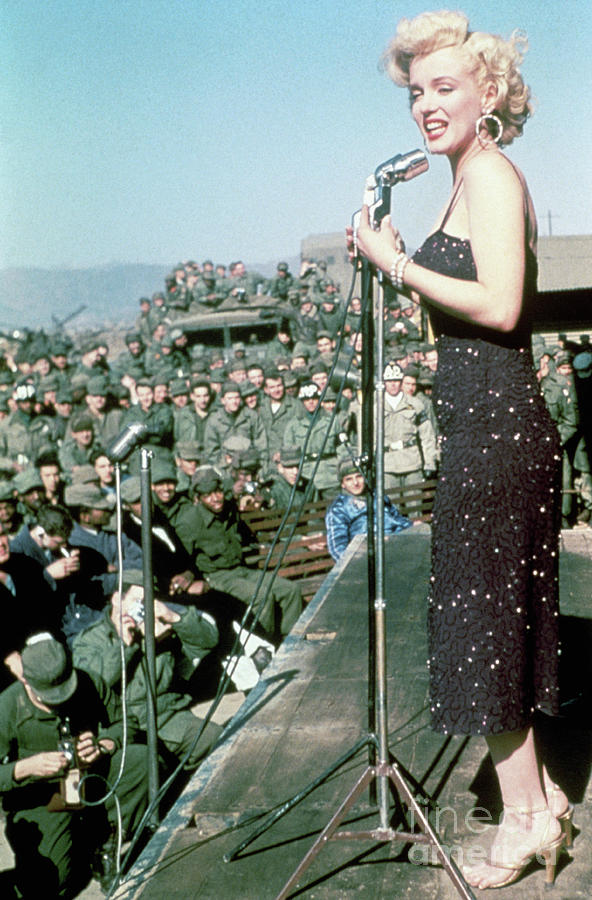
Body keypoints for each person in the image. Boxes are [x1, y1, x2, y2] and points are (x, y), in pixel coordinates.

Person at [349, 10, 567, 889]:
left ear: (490, 95)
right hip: (484, 424)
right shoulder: (460, 180)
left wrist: (395, 266)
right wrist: (399, 258)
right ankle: (543, 800)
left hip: (500, 432)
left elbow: (505, 307)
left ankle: (521, 821)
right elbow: (465, 314)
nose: (426, 107)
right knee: (495, 621)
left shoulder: (489, 174)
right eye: (416, 92)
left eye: (445, 88)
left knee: (484, 627)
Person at [0, 632, 148, 897]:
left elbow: (128, 724)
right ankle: (75, 845)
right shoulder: (7, 706)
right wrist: (25, 768)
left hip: (87, 779)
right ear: (25, 680)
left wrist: (105, 745)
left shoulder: (87, 681)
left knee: (141, 761)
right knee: (52, 884)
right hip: (41, 799)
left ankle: (105, 847)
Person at [325, 460, 412, 561]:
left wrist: (411, 525)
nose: (355, 483)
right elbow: (337, 548)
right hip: (368, 555)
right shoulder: (339, 508)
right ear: (343, 484)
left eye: (359, 476)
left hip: (395, 545)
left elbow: (395, 518)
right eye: (349, 479)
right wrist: (354, 564)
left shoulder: (377, 496)